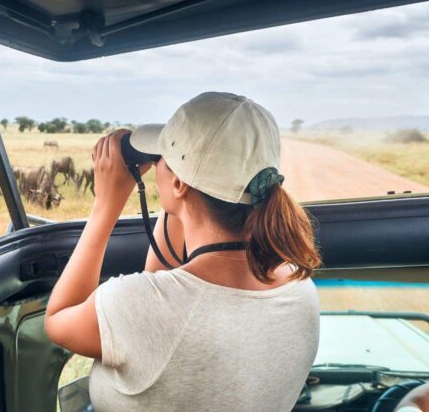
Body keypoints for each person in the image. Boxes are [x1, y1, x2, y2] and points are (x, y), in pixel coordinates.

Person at [45, 92, 321, 411]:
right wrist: (180, 200)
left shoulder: (145, 307)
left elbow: (59, 320)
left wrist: (105, 206)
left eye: (164, 159)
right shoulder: (301, 289)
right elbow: (164, 304)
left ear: (178, 184)